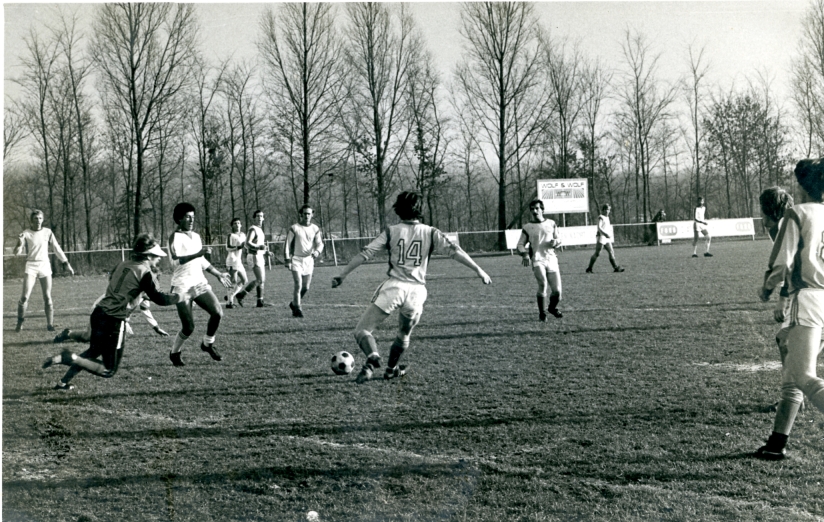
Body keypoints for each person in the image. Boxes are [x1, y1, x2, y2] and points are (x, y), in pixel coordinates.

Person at [332, 191, 492, 384]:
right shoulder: (431, 232)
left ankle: (373, 356)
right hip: (417, 292)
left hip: (394, 287)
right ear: (420, 209)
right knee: (404, 333)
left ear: (398, 209)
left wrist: (343, 274)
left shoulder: (391, 231)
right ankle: (391, 370)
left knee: (362, 331)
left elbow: (366, 253)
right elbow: (455, 252)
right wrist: (479, 270)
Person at [42, 234, 198, 391]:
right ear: (148, 255)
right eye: (156, 256)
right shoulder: (145, 272)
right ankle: (69, 357)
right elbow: (161, 299)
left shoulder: (122, 264)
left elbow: (118, 284)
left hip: (99, 313)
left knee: (92, 352)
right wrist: (186, 295)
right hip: (113, 320)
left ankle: (62, 383)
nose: (158, 259)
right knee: (108, 370)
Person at [754, 158, 824, 460]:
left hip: (808, 299)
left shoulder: (797, 213)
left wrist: (767, 288)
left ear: (801, 186)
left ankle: (777, 443)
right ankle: (776, 443)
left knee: (804, 375)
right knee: (790, 360)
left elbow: (783, 261)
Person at [168, 202, 233, 367]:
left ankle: (207, 344)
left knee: (217, 313)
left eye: (193, 217)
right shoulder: (174, 237)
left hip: (198, 282)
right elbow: (177, 261)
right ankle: (174, 353)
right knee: (188, 327)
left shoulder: (196, 236)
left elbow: (201, 260)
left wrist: (218, 274)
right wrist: (198, 253)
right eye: (188, 217)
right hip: (182, 286)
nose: (191, 220)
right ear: (179, 219)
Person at [14, 209, 74, 332]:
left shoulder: (48, 232)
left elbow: (57, 248)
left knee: (47, 297)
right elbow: (16, 252)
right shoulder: (26, 233)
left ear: (43, 219)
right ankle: (20, 322)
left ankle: (50, 325)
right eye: (35, 218)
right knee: (25, 297)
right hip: (31, 265)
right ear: (31, 220)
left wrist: (66, 263)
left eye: (40, 218)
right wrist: (19, 244)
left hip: (44, 266)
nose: (38, 221)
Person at [53, 293, 169, 343]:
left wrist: (156, 328)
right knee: (87, 337)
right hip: (100, 309)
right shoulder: (133, 291)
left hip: (112, 314)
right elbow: (120, 308)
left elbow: (145, 310)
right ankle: (68, 333)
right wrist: (125, 322)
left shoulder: (144, 296)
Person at [516, 199, 563, 322]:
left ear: (542, 209)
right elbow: (520, 245)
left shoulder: (552, 223)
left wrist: (555, 242)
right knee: (543, 284)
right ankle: (542, 313)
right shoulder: (528, 227)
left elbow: (559, 239)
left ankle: (552, 308)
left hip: (551, 258)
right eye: (532, 209)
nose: (534, 211)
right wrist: (525, 254)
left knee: (557, 292)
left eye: (537, 208)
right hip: (537, 259)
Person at [285, 205, 324, 318]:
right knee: (298, 284)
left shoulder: (315, 228)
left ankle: (293, 303)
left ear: (312, 214)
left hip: (309, 260)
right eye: (305, 213)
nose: (307, 216)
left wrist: (317, 252)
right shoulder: (294, 228)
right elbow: (287, 245)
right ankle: (297, 310)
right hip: (296, 259)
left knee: (306, 287)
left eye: (309, 213)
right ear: (300, 214)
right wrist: (287, 260)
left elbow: (320, 243)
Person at [234, 209, 274, 308]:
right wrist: (259, 247)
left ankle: (260, 301)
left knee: (261, 280)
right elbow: (248, 243)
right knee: (260, 279)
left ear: (263, 218)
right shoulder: (253, 229)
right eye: (257, 216)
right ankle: (241, 295)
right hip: (254, 256)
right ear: (254, 218)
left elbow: (259, 245)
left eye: (261, 216)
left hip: (259, 255)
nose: (260, 218)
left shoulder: (260, 230)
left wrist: (266, 252)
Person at [585, 204, 624, 273]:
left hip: (606, 238)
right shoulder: (601, 217)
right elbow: (599, 228)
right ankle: (589, 268)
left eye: (608, 210)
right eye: (606, 209)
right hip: (601, 237)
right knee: (597, 253)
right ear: (603, 210)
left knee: (611, 251)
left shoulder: (607, 217)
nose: (607, 211)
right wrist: (605, 234)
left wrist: (608, 235)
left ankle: (616, 268)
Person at [224, 217, 248, 308]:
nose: (237, 225)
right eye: (235, 223)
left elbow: (246, 245)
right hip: (232, 261)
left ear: (241, 225)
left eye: (238, 223)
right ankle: (229, 303)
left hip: (239, 261)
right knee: (233, 282)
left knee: (244, 280)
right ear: (232, 225)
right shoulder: (231, 235)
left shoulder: (243, 235)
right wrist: (239, 247)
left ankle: (231, 296)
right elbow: (228, 247)